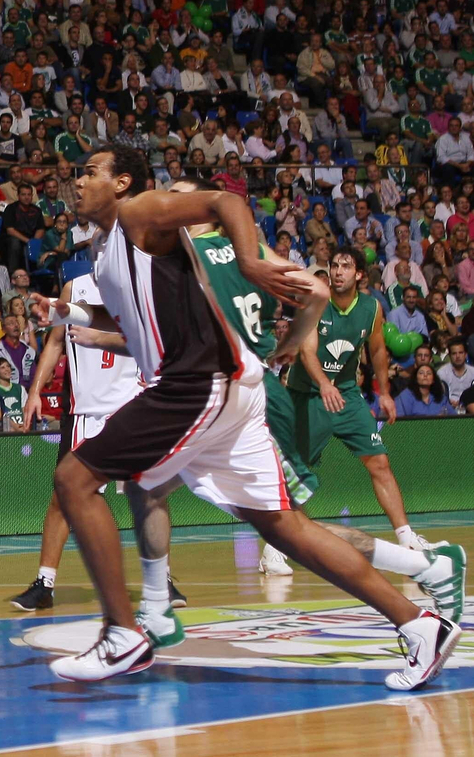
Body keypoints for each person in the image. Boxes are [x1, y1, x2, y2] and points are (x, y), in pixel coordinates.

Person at [34, 146, 460, 689]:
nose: (77, 181)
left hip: (198, 383)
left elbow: (227, 200)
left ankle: (125, 632)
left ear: (122, 183)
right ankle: (420, 623)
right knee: (285, 529)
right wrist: (66, 312)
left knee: (75, 477)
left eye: (88, 172)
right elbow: (124, 318)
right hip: (227, 389)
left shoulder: (140, 212)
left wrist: (254, 260)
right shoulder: (108, 248)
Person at [268, 245, 458, 576]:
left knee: (379, 461)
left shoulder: (371, 308)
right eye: (333, 265)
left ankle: (407, 538)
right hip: (308, 396)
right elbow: (307, 351)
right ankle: (273, 548)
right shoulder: (317, 301)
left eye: (344, 266)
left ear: (358, 274)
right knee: (296, 476)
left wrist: (384, 392)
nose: (337, 271)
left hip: (347, 395)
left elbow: (378, 349)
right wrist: (323, 384)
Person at [12, 274, 180, 615]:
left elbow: (149, 340)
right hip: (86, 410)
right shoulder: (76, 287)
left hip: (132, 405)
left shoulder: (142, 285)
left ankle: (161, 578)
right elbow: (56, 343)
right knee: (63, 497)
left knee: (151, 494)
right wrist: (34, 392)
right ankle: (44, 583)